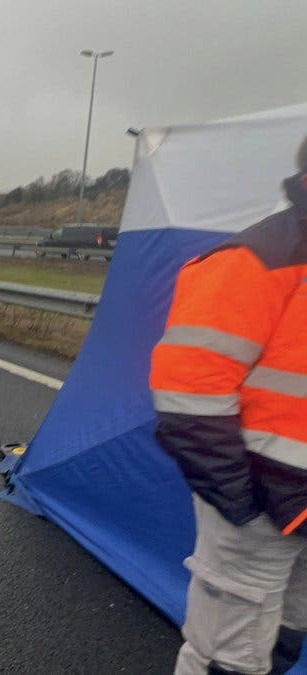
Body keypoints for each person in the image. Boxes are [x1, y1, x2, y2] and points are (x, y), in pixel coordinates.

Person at [151, 136, 307, 674]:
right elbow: (188, 396)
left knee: (286, 636)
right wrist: (241, 504)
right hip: (266, 500)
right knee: (227, 658)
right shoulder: (256, 259)